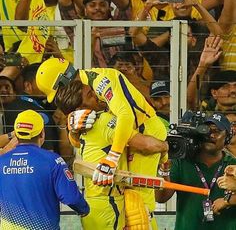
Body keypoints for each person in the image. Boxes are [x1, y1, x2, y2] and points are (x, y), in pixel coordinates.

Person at [36, 58, 167, 229]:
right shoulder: (84, 101)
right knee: (131, 201)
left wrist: (112, 157)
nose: (60, 96)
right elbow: (79, 143)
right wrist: (74, 131)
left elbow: (125, 116)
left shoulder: (99, 83)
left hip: (144, 130)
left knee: (139, 201)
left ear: (63, 81)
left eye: (58, 91)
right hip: (123, 137)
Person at [65, 83, 168, 229]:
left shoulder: (83, 126)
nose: (96, 96)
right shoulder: (103, 121)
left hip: (95, 202)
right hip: (108, 202)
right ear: (81, 109)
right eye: (90, 95)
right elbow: (146, 145)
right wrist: (165, 146)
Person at [0, 109, 89, 229]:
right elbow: (71, 198)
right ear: (42, 134)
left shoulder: (2, 161)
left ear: (16, 134)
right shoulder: (53, 161)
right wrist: (84, 209)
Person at [155, 112, 236, 230]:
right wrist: (164, 169)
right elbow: (161, 198)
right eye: (207, 130)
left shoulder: (232, 165)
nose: (210, 135)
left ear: (227, 138)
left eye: (216, 131)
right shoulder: (181, 162)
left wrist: (227, 201)